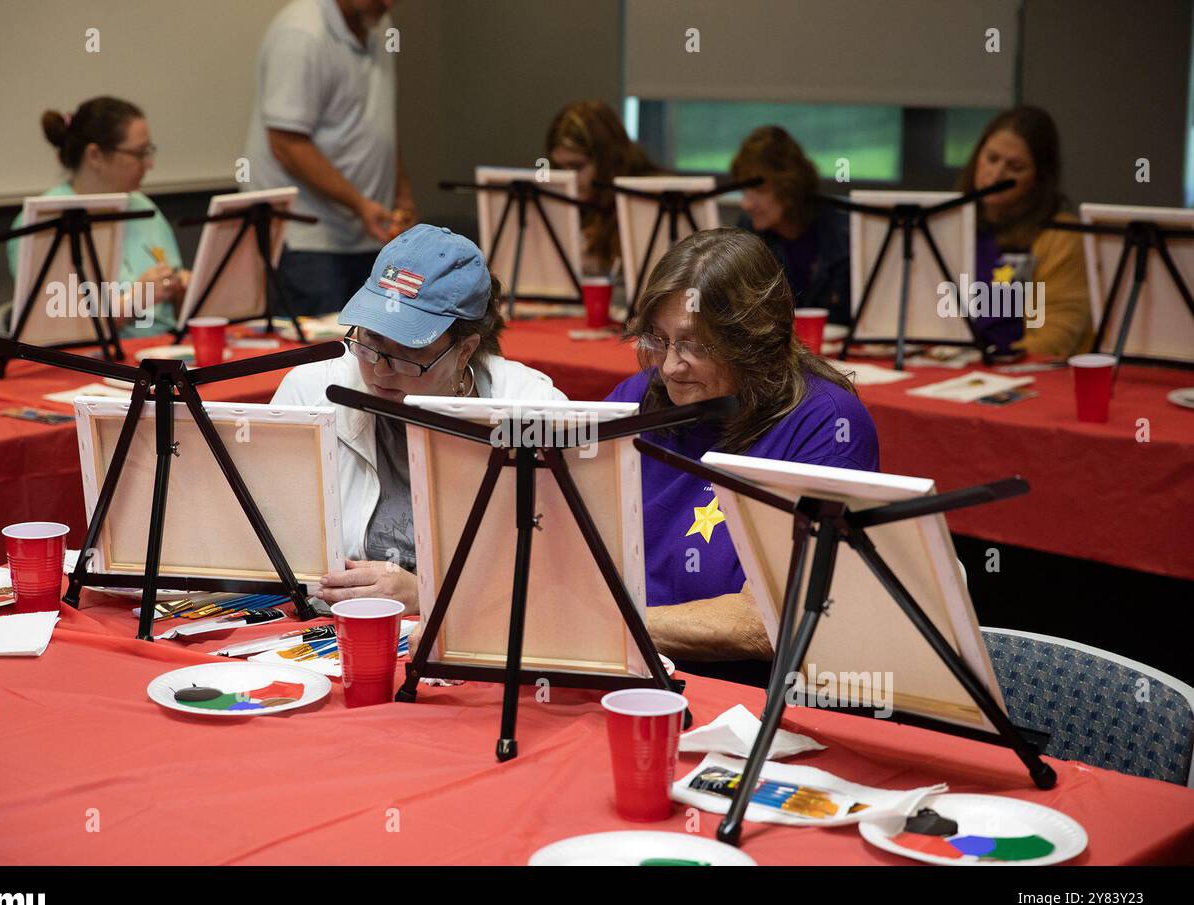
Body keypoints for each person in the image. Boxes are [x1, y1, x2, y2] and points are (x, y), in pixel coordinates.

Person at [605, 227, 879, 681]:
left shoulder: (827, 425)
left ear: (753, 341)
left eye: (696, 344)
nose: (671, 366)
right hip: (632, 673)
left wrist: (605, 623)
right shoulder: (642, 395)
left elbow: (768, 622)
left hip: (746, 699)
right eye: (659, 339)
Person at [273, 224, 565, 613]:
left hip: (476, 636)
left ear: (465, 351)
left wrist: (428, 592)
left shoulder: (532, 409)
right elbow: (262, 545)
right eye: (371, 342)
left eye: (407, 353)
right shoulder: (311, 391)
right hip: (334, 634)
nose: (378, 371)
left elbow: (560, 579)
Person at [244, 0, 416, 317]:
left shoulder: (377, 22)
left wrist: (401, 194)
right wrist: (360, 203)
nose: (390, 4)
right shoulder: (302, 33)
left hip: (368, 234)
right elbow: (286, 143)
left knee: (373, 353)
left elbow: (378, 127)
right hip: (309, 242)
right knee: (323, 358)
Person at [7, 96, 188, 336]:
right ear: (95, 156)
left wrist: (183, 289)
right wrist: (133, 301)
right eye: (139, 153)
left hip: (163, 349)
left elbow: (174, 307)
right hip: (91, 362)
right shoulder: (45, 219)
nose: (149, 164)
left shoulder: (143, 206)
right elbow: (55, 326)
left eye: (149, 152)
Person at [958, 105, 1091, 358]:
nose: (996, 176)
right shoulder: (948, 221)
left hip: (1018, 369)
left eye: (1015, 167)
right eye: (992, 158)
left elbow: (1056, 338)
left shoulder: (1061, 236)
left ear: (1038, 179)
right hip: (945, 365)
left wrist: (985, 359)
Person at [731, 126, 850, 328]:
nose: (746, 204)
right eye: (743, 190)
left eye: (758, 189)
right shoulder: (747, 232)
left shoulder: (843, 234)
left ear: (789, 185)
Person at [545, 100, 657, 276]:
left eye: (577, 166)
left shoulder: (648, 199)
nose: (569, 179)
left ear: (609, 161)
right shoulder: (562, 202)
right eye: (560, 168)